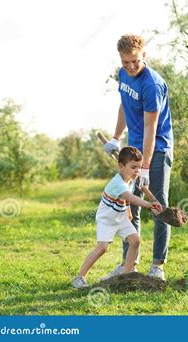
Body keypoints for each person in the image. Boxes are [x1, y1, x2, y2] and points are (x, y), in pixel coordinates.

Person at [103, 34, 173, 281]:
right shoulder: (123, 75)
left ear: (144, 56)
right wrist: (116, 137)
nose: (131, 67)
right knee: (129, 206)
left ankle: (157, 266)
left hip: (157, 149)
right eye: (125, 62)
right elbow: (124, 104)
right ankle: (128, 266)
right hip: (133, 148)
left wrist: (144, 168)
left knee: (158, 206)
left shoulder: (151, 85)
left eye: (135, 61)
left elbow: (150, 129)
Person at [72, 147, 161, 289]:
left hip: (121, 218)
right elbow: (129, 197)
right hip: (106, 220)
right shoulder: (117, 183)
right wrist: (149, 205)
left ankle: (125, 277)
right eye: (133, 167)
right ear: (121, 166)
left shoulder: (130, 179)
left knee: (135, 241)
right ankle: (79, 277)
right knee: (102, 248)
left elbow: (127, 197)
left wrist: (130, 209)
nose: (137, 171)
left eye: (139, 167)